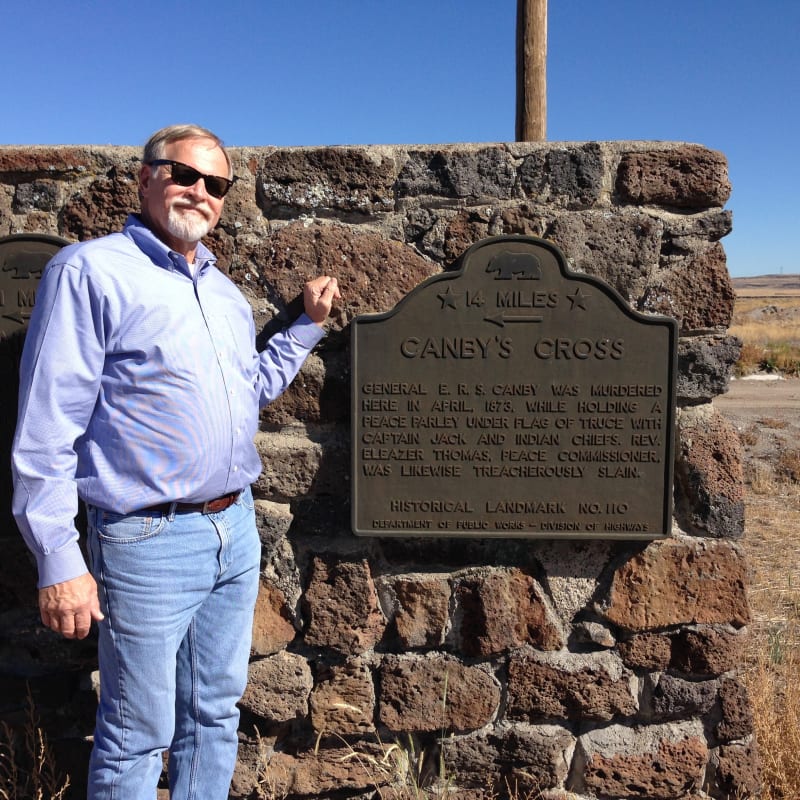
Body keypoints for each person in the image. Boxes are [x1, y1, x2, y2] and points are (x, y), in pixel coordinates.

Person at [11, 124, 340, 800]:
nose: (199, 192)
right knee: (136, 732)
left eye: (215, 184)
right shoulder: (90, 272)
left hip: (234, 531)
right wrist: (57, 557)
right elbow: (47, 427)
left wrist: (304, 325)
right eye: (183, 175)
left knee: (213, 715)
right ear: (144, 177)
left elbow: (247, 390)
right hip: (143, 539)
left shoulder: (222, 293)